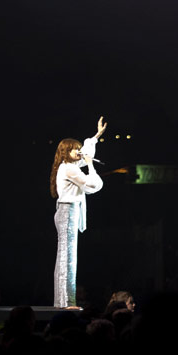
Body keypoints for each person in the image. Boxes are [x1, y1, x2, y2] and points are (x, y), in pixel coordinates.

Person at [49, 116, 107, 308]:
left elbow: (86, 150)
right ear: (66, 151)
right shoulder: (69, 169)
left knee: (65, 256)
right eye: (76, 148)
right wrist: (90, 164)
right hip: (68, 212)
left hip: (68, 212)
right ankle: (66, 301)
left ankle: (62, 300)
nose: (79, 151)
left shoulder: (69, 166)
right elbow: (92, 183)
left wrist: (96, 135)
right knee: (68, 257)